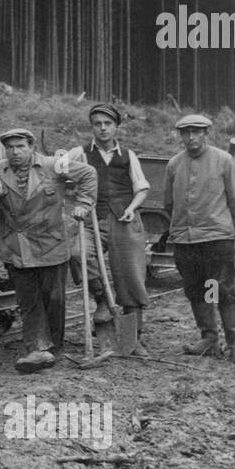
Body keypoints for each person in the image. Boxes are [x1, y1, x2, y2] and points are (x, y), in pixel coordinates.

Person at [0, 129, 96, 373]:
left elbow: (89, 173)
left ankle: (54, 347)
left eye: (20, 146)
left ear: (31, 146)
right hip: (17, 246)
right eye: (9, 147)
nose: (15, 152)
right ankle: (36, 349)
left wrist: (84, 204)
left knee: (53, 298)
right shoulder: (0, 168)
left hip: (50, 242)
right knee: (28, 300)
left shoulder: (54, 164)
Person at [162, 114, 235, 362]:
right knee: (196, 289)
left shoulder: (223, 161)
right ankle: (209, 338)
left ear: (206, 133)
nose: (191, 137)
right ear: (181, 136)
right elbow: (169, 204)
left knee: (222, 289)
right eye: (186, 132)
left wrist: (231, 235)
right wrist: (180, 229)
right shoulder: (174, 165)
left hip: (216, 240)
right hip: (185, 241)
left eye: (197, 132)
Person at [63, 103, 151, 354]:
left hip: (123, 219)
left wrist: (133, 207)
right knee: (78, 254)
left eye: (107, 124)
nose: (102, 128)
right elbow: (57, 174)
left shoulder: (128, 155)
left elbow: (142, 187)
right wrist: (74, 195)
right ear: (91, 127)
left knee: (132, 277)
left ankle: (133, 340)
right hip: (92, 220)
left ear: (116, 127)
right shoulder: (79, 153)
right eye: (97, 124)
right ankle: (102, 300)